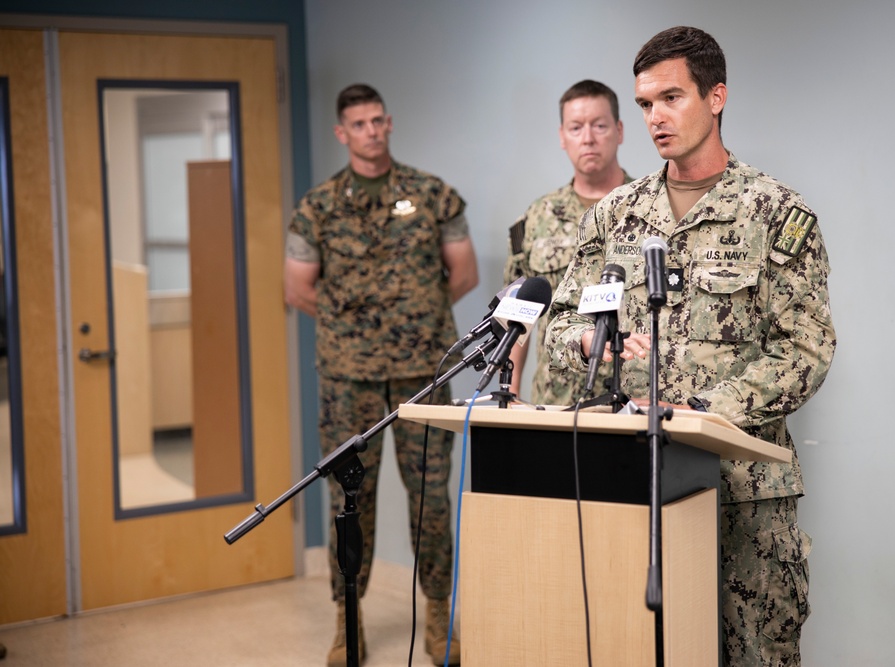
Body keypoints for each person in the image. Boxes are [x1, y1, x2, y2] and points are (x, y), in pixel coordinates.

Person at [546, 27, 836, 666]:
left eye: (671, 98)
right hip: (640, 479)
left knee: (755, 656)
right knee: (647, 651)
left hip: (744, 494)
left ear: (717, 97)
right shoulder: (617, 215)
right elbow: (561, 325)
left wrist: (706, 410)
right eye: (646, 103)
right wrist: (595, 342)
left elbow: (805, 353)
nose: (655, 118)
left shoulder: (775, 215)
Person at [284, 83, 477, 667]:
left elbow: (462, 275)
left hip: (425, 376)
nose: (370, 131)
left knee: (431, 504)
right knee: (350, 503)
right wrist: (357, 326)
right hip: (348, 379)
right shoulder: (316, 207)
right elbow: (297, 287)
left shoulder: (434, 194)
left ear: (389, 123)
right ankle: (349, 625)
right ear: (342, 134)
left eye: (377, 121)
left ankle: (440, 621)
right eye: (358, 124)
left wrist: (410, 321)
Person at [503, 80, 631, 405]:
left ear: (619, 130)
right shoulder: (537, 217)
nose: (587, 138)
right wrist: (510, 392)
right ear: (562, 136)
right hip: (554, 398)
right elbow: (518, 317)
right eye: (576, 127)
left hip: (630, 396)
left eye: (599, 126)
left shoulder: (648, 208)